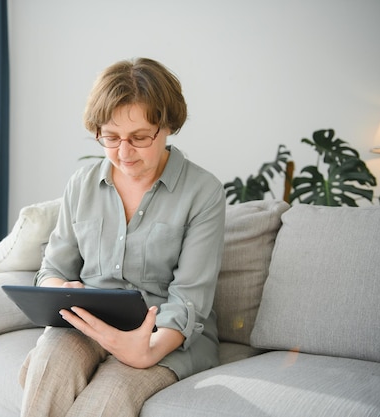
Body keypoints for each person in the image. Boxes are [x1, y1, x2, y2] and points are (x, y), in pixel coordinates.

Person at [18, 57, 226, 417]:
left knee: (106, 402)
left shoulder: (203, 192)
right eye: (110, 138)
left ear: (168, 127)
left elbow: (190, 298)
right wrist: (60, 290)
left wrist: (147, 350)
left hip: (162, 336)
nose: (124, 153)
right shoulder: (82, 185)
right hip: (89, 324)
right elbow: (53, 267)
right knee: (49, 366)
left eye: (140, 138)